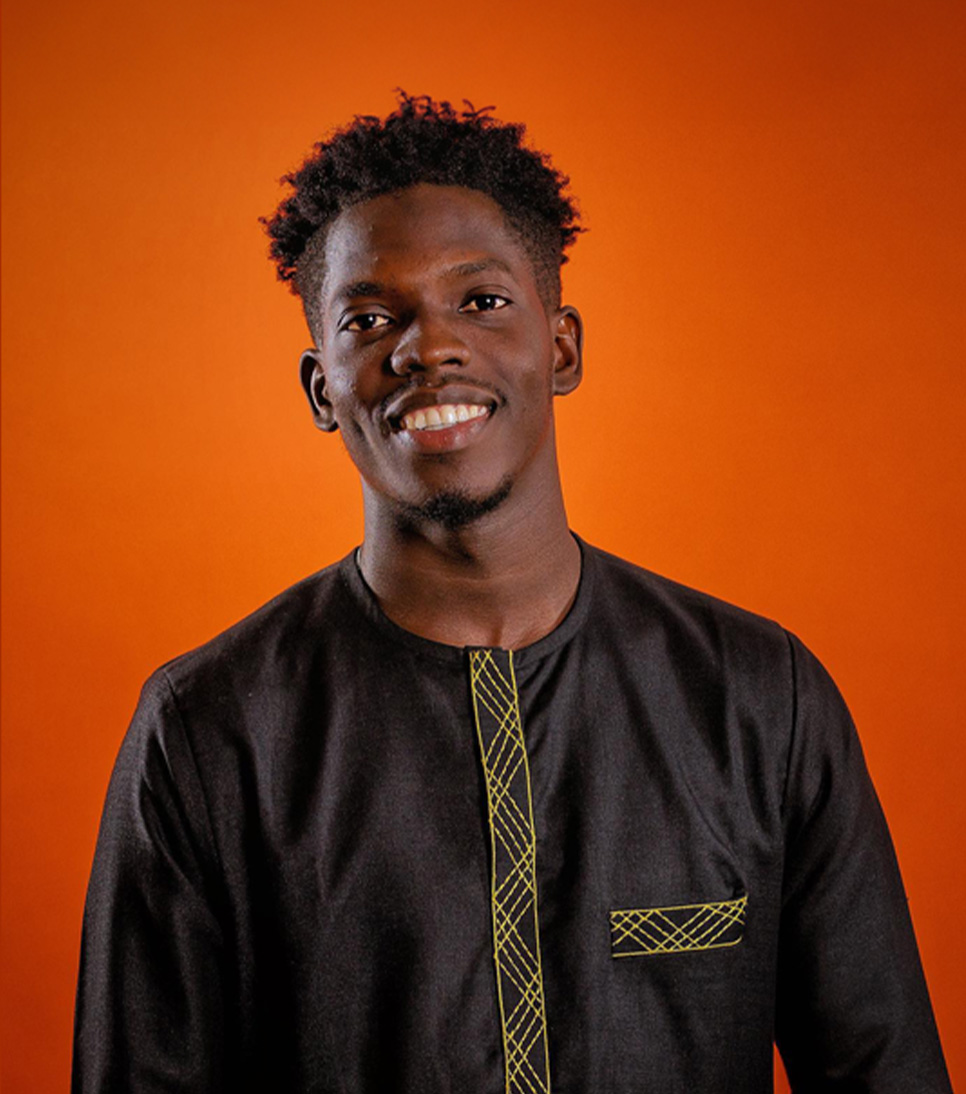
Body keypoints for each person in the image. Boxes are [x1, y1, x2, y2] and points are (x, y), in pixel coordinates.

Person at [73, 93, 951, 1092]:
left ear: (562, 345)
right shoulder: (210, 733)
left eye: (480, 300)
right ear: (322, 388)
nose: (427, 347)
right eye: (370, 319)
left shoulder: (760, 698)